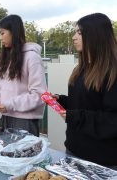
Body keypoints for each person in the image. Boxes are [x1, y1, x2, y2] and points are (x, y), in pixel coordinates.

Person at [56, 13, 117, 166]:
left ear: (96, 35)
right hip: (73, 151)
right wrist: (61, 101)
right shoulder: (81, 69)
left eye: (79, 33)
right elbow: (86, 104)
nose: (73, 37)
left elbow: (112, 120)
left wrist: (76, 116)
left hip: (102, 161)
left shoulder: (113, 73)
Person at [0, 15, 47, 137]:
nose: (0, 38)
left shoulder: (32, 57)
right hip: (5, 118)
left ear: (14, 32)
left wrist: (10, 104)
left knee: (23, 156)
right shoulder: (6, 60)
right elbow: (3, 91)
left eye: (2, 33)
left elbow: (39, 95)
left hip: (25, 121)